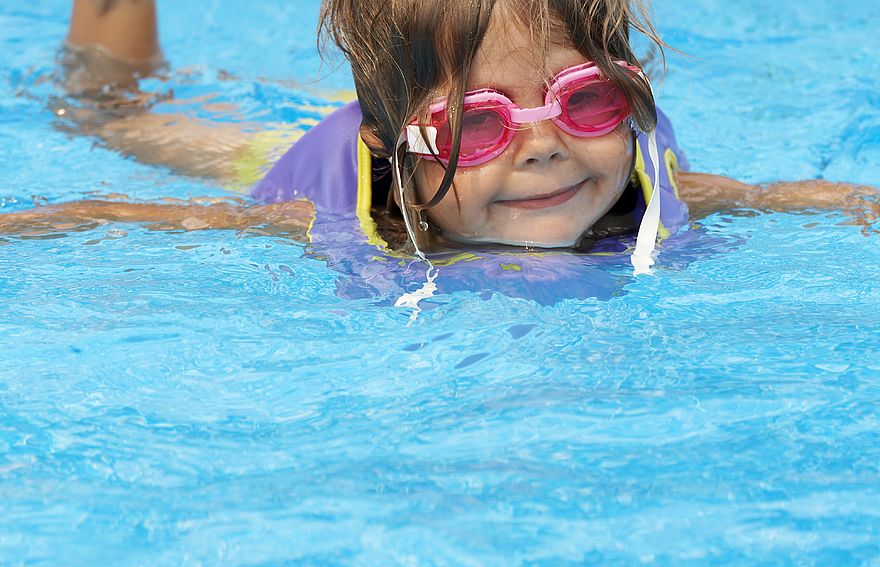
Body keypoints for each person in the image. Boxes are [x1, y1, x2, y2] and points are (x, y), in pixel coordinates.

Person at [3, 0, 878, 281]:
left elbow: (749, 197)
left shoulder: (642, 175)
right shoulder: (338, 212)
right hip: (298, 151)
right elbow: (144, 217)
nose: (545, 149)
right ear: (393, 145)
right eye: (484, 124)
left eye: (586, 102)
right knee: (112, 116)